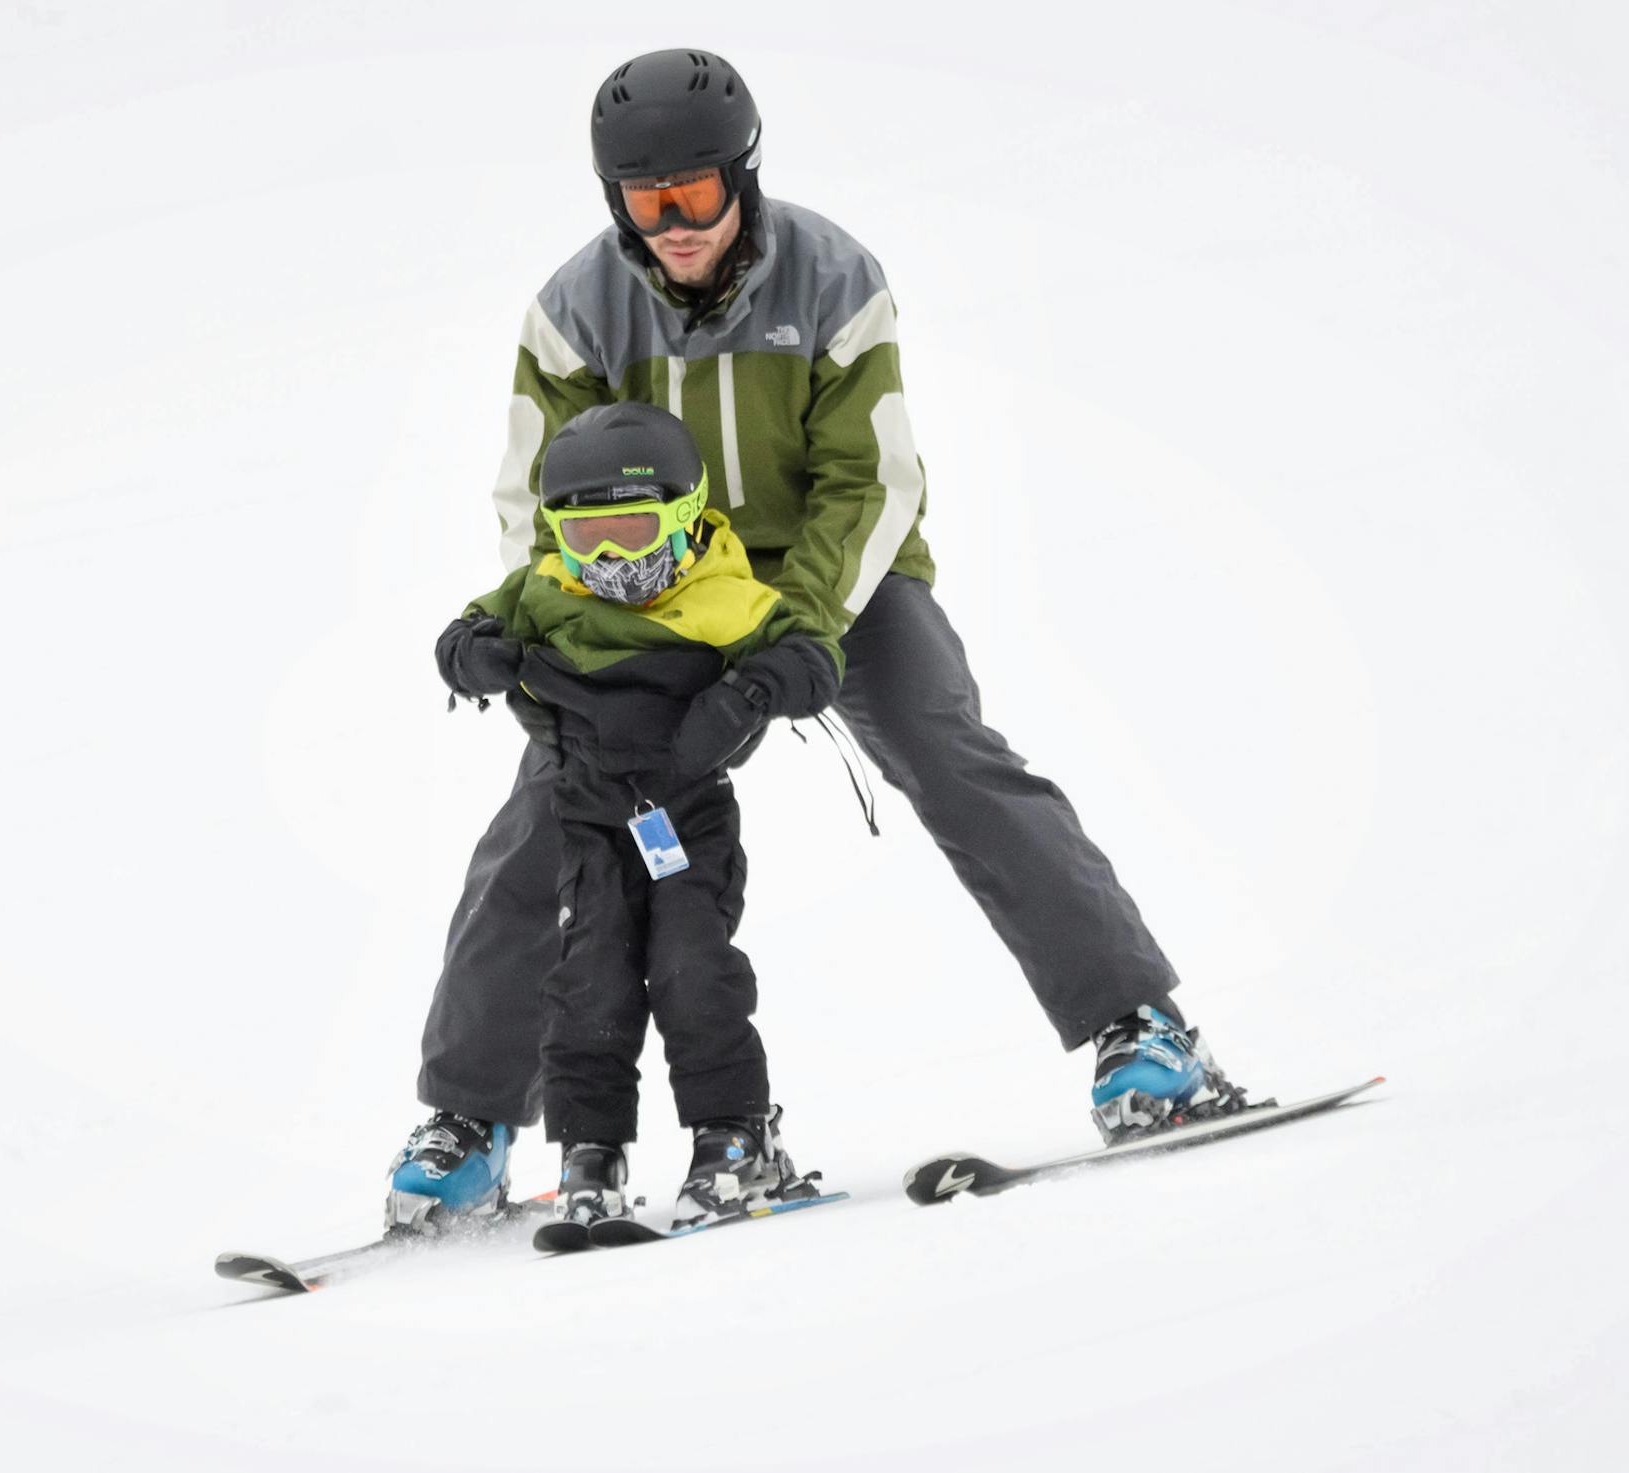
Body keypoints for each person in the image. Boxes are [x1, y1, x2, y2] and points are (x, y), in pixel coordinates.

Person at [386, 48, 1246, 1231]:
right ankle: (467, 1124)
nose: (675, 224)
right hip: (643, 592)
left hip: (828, 582)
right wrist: (549, 654)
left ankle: (1140, 1032)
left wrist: (795, 640)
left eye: (695, 194)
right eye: (647, 203)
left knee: (952, 755)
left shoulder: (833, 276)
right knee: (547, 817)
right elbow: (542, 507)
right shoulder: (573, 311)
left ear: (743, 175)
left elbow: (871, 478)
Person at [419, 401, 839, 1238]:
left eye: (634, 531)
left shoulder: (723, 593)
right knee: (587, 986)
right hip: (590, 828)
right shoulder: (546, 590)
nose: (610, 559)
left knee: (693, 970)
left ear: (686, 519)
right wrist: (479, 656)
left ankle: (733, 1139)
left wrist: (751, 692)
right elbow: (461, 634)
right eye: (585, 538)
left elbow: (812, 653)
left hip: (687, 825)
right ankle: (590, 1156)